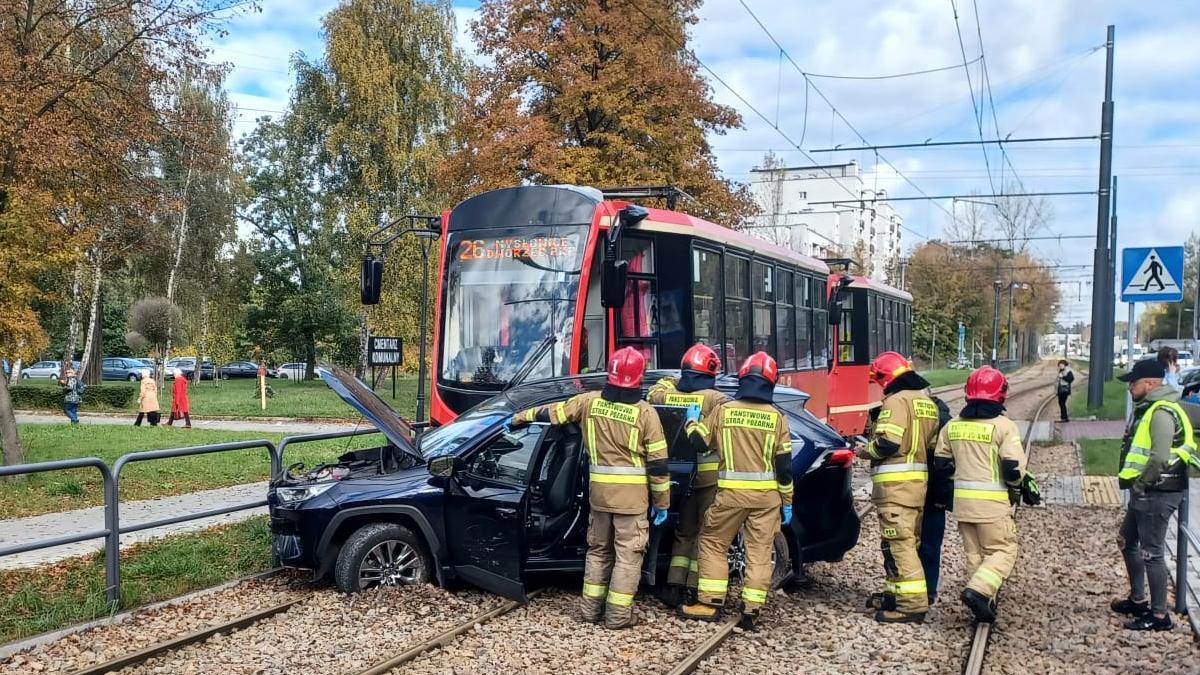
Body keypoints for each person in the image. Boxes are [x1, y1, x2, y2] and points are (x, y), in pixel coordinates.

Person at [509, 347, 669, 629]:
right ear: (638, 379)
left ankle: (590, 611)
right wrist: (663, 502)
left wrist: (521, 417)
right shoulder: (646, 414)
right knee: (628, 557)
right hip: (632, 503)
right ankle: (618, 616)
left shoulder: (590, 402)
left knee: (598, 552)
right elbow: (658, 466)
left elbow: (553, 413)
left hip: (599, 497)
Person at [679, 352, 793, 631]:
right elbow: (785, 468)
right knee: (759, 551)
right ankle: (752, 609)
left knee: (713, 542)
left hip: (730, 496)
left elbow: (700, 444)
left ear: (742, 378)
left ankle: (709, 602)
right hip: (766, 499)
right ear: (771, 382)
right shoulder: (778, 419)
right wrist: (787, 502)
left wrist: (691, 421)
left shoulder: (724, 411)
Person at [931, 366, 1037, 623]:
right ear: (1001, 395)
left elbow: (941, 464)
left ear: (968, 394)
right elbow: (1012, 469)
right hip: (992, 505)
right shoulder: (1004, 427)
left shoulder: (953, 426)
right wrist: (1022, 485)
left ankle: (982, 602)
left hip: (963, 505)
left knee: (974, 554)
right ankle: (978, 591)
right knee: (1003, 551)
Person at [1111, 358, 1197, 631]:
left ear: (1149, 384)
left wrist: (1141, 484)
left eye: (1133, 383)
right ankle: (1138, 600)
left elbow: (1160, 456)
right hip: (1148, 492)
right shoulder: (1151, 408)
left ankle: (1160, 615)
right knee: (1127, 541)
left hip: (1156, 492)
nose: (1129, 388)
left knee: (1152, 553)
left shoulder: (1160, 412)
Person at [855, 351, 941, 623]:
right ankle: (896, 594)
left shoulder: (895, 402)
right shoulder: (927, 402)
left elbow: (888, 443)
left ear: (886, 378)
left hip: (895, 488)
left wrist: (864, 451)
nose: (880, 387)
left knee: (900, 545)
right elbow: (931, 447)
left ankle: (912, 605)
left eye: (879, 380)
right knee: (903, 543)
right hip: (917, 487)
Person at [645, 343, 730, 608]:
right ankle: (694, 589)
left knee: (684, 532)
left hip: (680, 478)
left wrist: (675, 380)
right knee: (705, 536)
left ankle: (674, 585)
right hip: (709, 480)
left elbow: (654, 392)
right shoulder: (714, 399)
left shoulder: (666, 395)